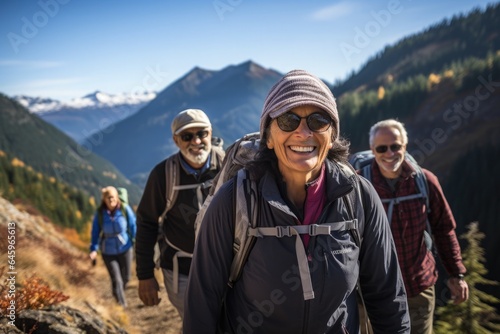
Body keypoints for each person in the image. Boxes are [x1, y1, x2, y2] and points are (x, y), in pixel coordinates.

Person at [184, 70, 410, 333]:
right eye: (288, 120)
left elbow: (388, 298)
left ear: (332, 134)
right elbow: (202, 304)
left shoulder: (359, 197)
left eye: (318, 120)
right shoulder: (235, 200)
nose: (303, 132)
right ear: (267, 136)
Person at [363, 119, 469, 333]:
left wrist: (456, 274)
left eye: (396, 146)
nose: (390, 153)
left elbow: (443, 229)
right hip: (374, 294)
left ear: (405, 146)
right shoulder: (360, 186)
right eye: (382, 148)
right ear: (373, 150)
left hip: (418, 288)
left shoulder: (425, 181)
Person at [135, 109, 225, 320]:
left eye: (202, 133)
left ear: (210, 133)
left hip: (227, 267)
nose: (196, 141)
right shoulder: (163, 175)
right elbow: (147, 223)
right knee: (196, 324)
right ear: (176, 141)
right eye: (187, 136)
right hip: (182, 271)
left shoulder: (229, 166)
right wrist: (145, 275)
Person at [89, 186, 136, 307]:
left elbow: (133, 226)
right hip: (108, 251)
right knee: (117, 279)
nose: (111, 200)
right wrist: (94, 249)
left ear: (117, 197)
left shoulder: (125, 209)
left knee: (126, 277)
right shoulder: (100, 214)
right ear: (104, 199)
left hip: (125, 248)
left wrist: (137, 241)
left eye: (113, 197)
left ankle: (117, 292)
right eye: (108, 198)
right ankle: (121, 305)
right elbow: (95, 232)